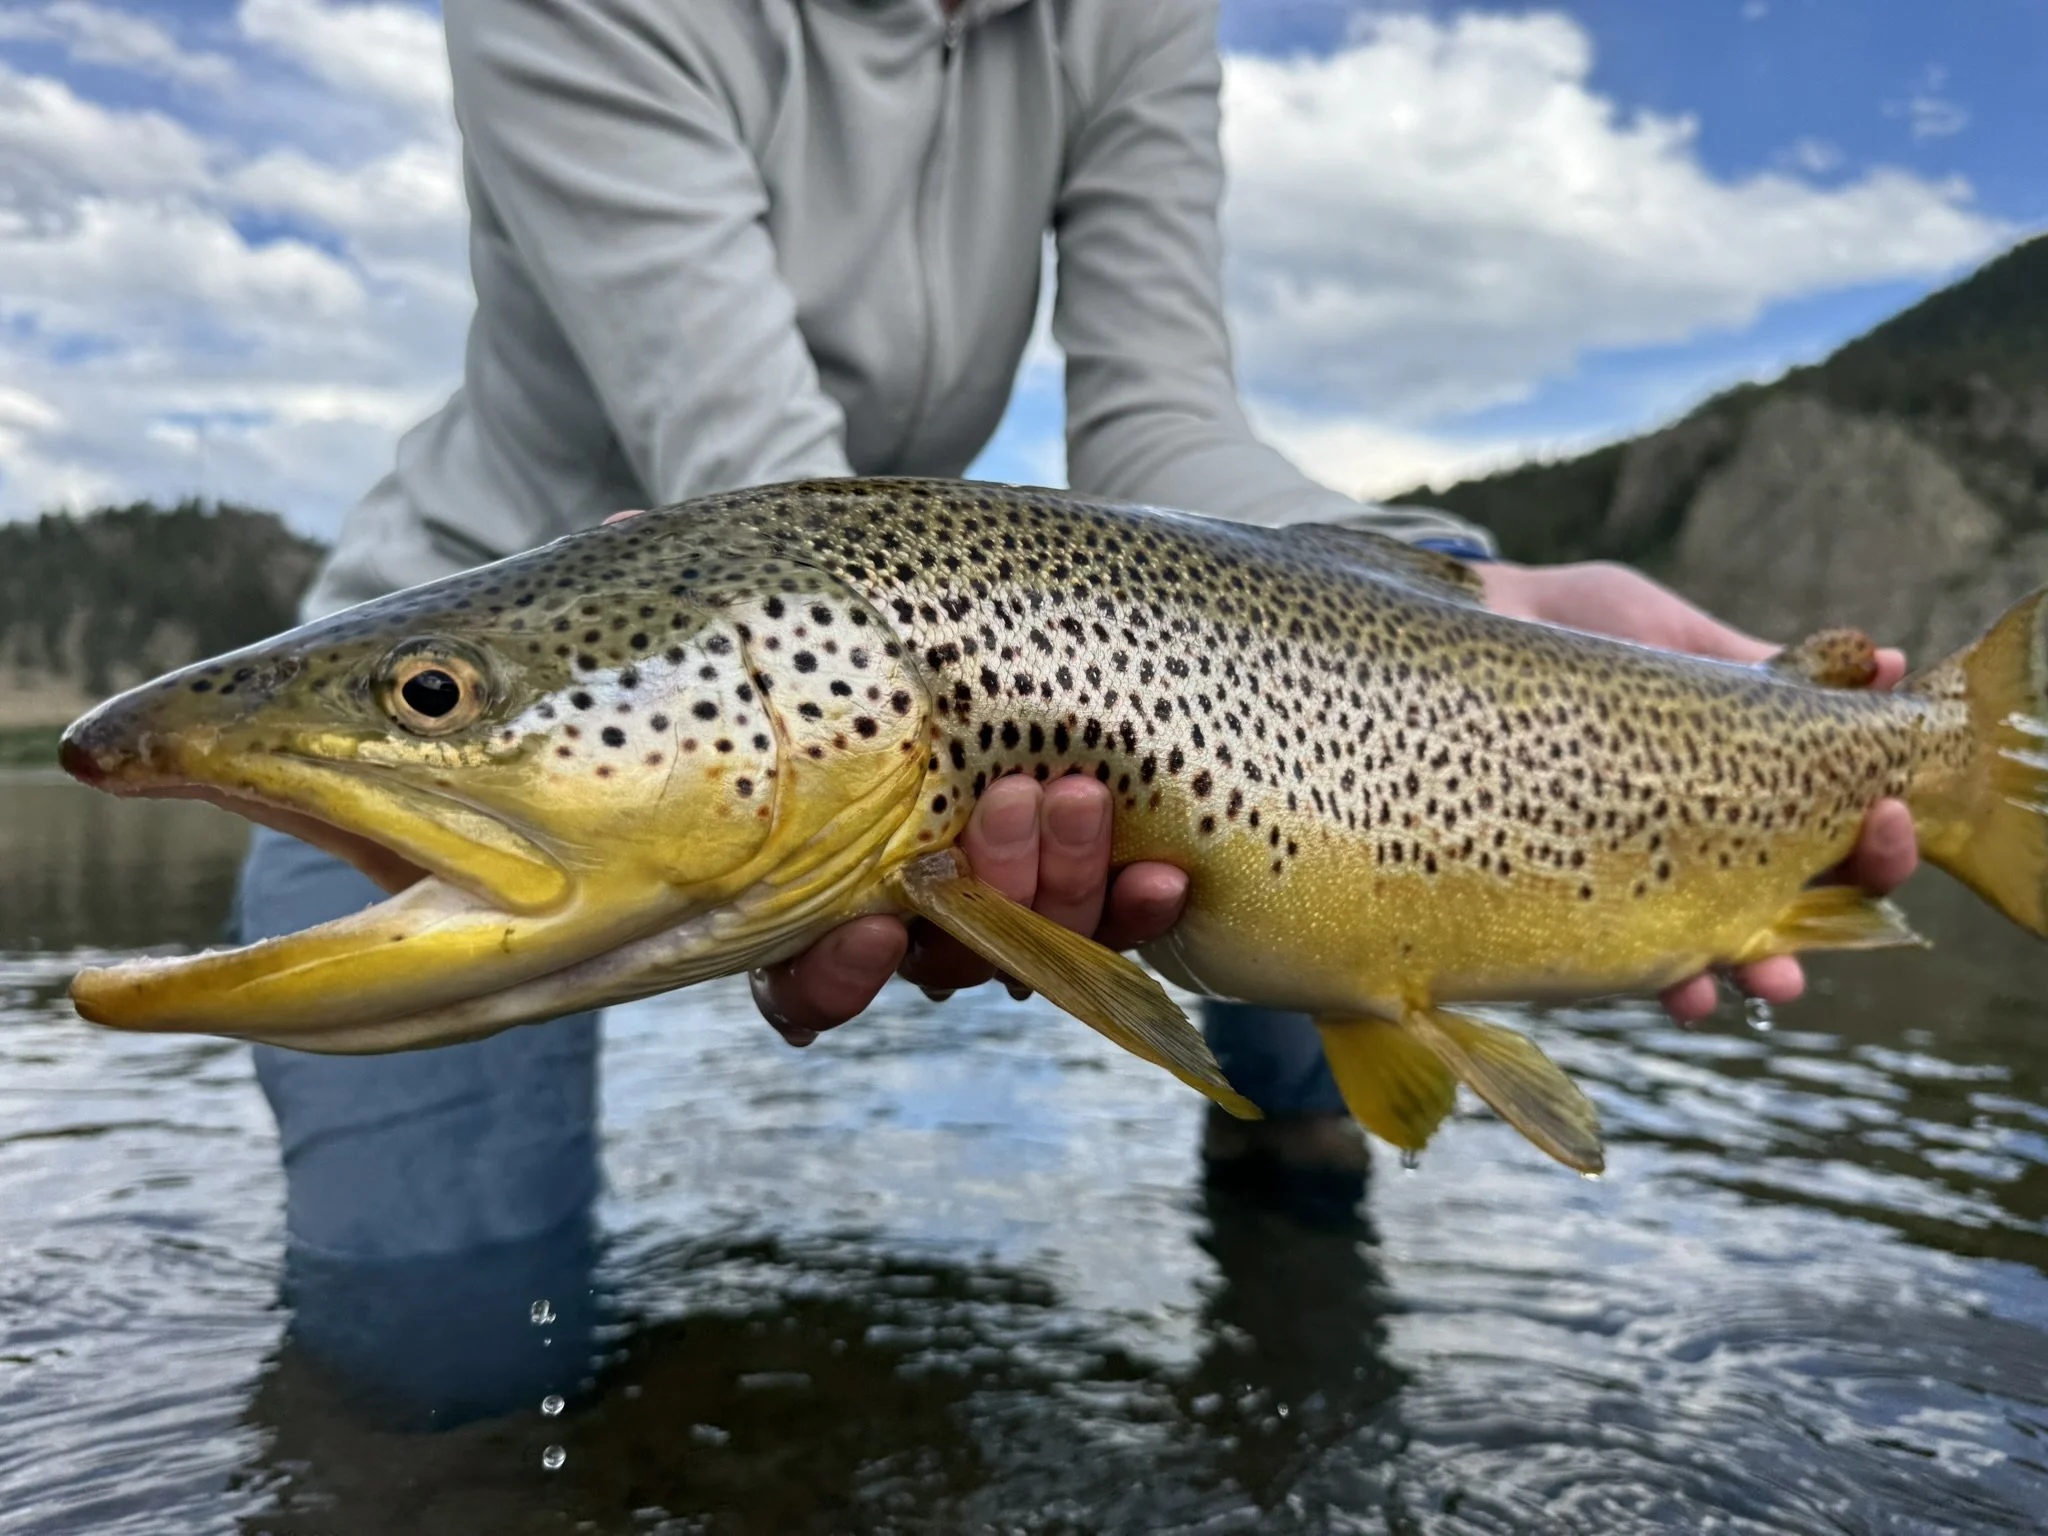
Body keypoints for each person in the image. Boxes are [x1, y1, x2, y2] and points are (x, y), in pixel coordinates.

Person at [238, 0, 1918, 1412]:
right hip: (484, 699)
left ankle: (1300, 1407)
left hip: (903, 668)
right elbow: (758, 485)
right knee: (442, 1364)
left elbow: (1166, 424)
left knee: (1281, 890)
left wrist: (1479, 595)